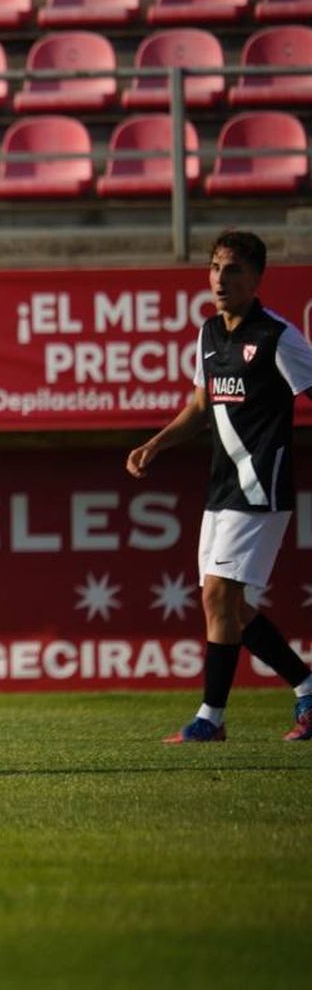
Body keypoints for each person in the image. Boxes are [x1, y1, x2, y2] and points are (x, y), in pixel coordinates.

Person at [127, 229, 312, 743]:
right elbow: (201, 407)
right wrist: (156, 444)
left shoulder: (279, 336)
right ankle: (307, 687)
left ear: (257, 279)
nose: (220, 278)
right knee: (232, 607)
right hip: (222, 489)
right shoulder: (209, 334)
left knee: (217, 598)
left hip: (261, 488)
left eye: (232, 270)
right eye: (214, 268)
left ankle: (210, 718)